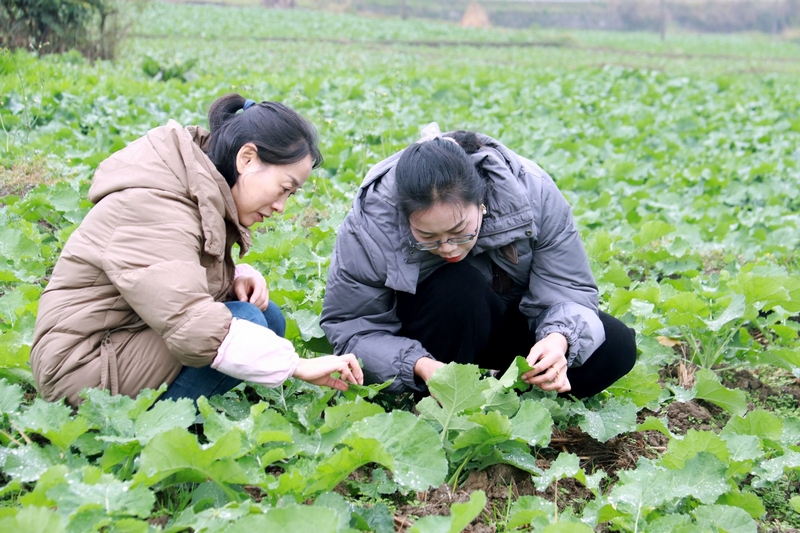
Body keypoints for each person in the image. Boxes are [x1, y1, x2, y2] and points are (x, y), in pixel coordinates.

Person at [31, 94, 362, 407]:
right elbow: (190, 323)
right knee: (245, 319)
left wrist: (238, 275)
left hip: (120, 340)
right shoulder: (152, 204)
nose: (280, 206)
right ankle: (151, 429)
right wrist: (296, 366)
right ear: (247, 158)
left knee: (266, 316)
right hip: (80, 371)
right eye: (284, 189)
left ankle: (177, 414)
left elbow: (170, 272)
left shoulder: (193, 183)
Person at [321, 125, 636, 398]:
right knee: (457, 285)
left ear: (482, 203)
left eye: (459, 231)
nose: (446, 247)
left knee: (615, 345)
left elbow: (569, 287)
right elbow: (353, 328)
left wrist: (558, 340)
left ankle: (507, 395)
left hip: (508, 322)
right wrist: (419, 366)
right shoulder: (371, 224)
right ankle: (445, 399)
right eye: (427, 236)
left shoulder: (533, 192)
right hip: (431, 338)